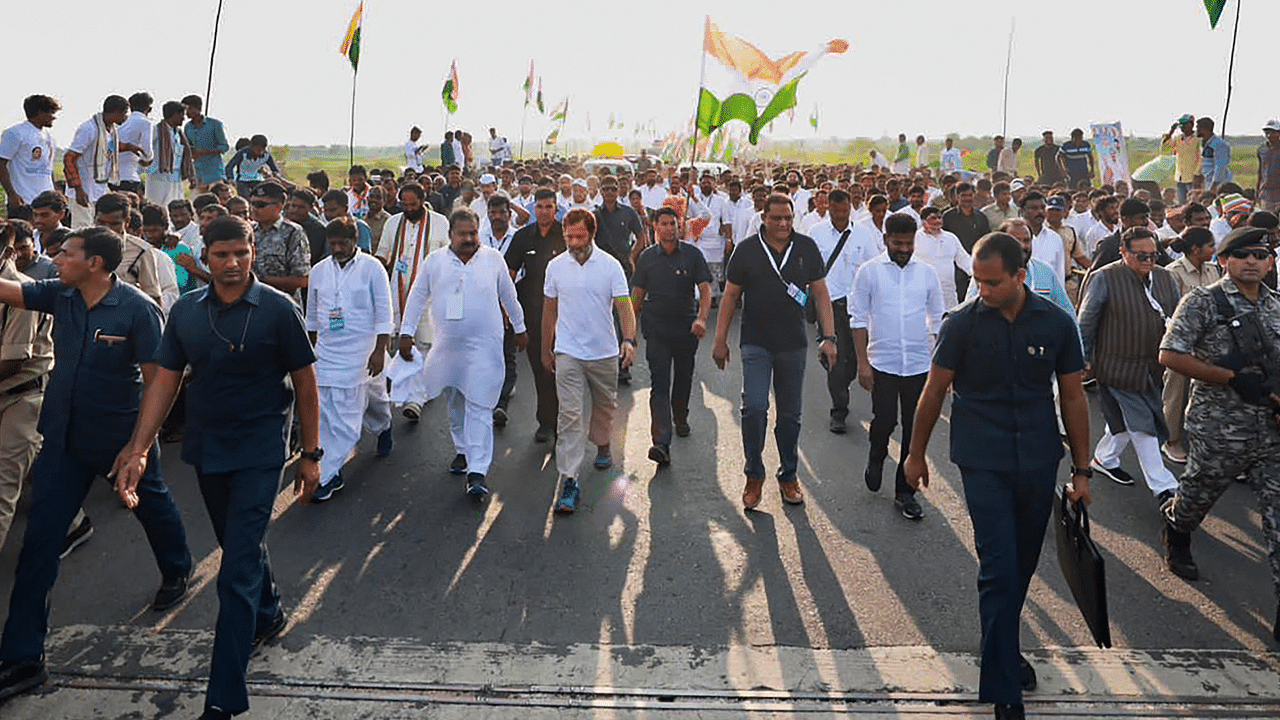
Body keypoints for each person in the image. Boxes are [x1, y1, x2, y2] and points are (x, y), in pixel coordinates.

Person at [110, 215, 320, 720]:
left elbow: (307, 385)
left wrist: (310, 455)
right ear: (205, 255)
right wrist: (138, 447)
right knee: (237, 543)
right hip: (208, 448)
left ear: (253, 252)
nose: (231, 264)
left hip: (262, 450)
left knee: (235, 570)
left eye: (241, 254)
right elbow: (165, 381)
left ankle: (223, 698)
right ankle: (267, 614)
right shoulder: (185, 312)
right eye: (221, 255)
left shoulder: (277, 310)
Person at [0, 227, 195, 707]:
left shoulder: (136, 310)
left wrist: (139, 447)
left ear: (94, 264)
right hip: (63, 440)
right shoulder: (60, 295)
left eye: (65, 253)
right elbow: (9, 290)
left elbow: (160, 382)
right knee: (39, 545)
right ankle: (24, 659)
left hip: (119, 443)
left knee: (152, 508)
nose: (55, 258)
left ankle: (178, 567)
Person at [905, 231, 1092, 720]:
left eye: (991, 282)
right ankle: (1005, 689)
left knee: (1022, 567)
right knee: (998, 567)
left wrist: (1083, 469)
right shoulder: (961, 325)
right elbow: (933, 390)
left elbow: (1073, 396)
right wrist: (914, 454)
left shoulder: (1055, 323)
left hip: (1036, 457)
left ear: (1019, 276)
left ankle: (1003, 648)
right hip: (981, 458)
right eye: (976, 280)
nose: (980, 290)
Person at [1158, 226, 1280, 644]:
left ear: (1270, 261)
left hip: (1272, 432)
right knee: (1195, 497)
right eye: (1242, 254)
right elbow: (1170, 354)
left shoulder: (1277, 307)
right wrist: (1228, 377)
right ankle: (1177, 529)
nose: (1252, 261)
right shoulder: (1203, 302)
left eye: (1260, 254)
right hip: (1218, 429)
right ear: (1224, 260)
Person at [713, 194, 838, 509]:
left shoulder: (806, 248)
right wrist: (720, 339)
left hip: (793, 344)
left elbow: (821, 292)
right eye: (777, 218)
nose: (783, 224)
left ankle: (788, 476)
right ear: (763, 218)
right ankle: (754, 474)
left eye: (788, 218)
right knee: (754, 409)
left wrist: (829, 336)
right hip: (755, 342)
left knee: (790, 416)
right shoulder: (747, 250)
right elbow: (729, 296)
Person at [400, 208, 527, 495]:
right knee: (455, 399)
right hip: (448, 346)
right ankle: (462, 449)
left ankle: (478, 471)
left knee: (480, 404)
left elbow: (509, 296)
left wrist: (520, 327)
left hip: (485, 347)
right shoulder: (435, 261)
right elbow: (417, 295)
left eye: (473, 233)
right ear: (451, 235)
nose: (469, 238)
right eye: (463, 234)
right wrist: (406, 332)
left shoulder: (493, 259)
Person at [851, 212, 945, 521]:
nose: (903, 249)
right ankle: (876, 455)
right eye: (897, 243)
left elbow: (938, 319)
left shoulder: (927, 274)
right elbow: (859, 319)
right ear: (885, 240)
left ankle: (905, 491)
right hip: (883, 362)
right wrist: (863, 363)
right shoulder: (869, 272)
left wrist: (939, 364)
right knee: (885, 420)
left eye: (908, 243)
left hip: (919, 364)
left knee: (914, 428)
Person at [541, 209, 636, 513]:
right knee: (569, 416)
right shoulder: (555, 267)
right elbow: (549, 310)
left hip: (604, 351)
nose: (572, 242)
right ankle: (569, 479)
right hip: (568, 351)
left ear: (592, 234)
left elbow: (624, 307)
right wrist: (547, 348)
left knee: (605, 405)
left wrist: (628, 340)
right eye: (568, 236)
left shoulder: (610, 266)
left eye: (578, 236)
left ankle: (603, 443)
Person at [1079, 228, 1182, 504]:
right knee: (1143, 423)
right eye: (1141, 256)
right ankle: (1164, 487)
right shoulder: (1105, 277)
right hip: (1117, 368)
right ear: (1123, 253)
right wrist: (1083, 359)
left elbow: (1176, 317)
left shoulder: (1165, 277)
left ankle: (1104, 458)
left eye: (1153, 255)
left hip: (1153, 367)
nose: (1149, 261)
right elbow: (1086, 322)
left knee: (1123, 422)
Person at [306, 217, 395, 503]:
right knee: (331, 411)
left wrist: (380, 349)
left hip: (363, 350)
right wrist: (310, 351)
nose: (338, 248)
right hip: (328, 351)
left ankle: (382, 429)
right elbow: (312, 314)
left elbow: (384, 311)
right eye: (333, 243)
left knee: (369, 401)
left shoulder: (372, 268)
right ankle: (331, 473)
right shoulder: (319, 271)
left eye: (343, 242)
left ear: (355, 241)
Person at [630, 207, 712, 465]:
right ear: (656, 226)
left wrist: (701, 319)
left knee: (684, 377)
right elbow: (637, 297)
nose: (668, 228)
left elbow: (706, 290)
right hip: (656, 329)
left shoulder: (692, 255)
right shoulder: (646, 258)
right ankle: (661, 442)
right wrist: (629, 333)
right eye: (663, 223)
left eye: (672, 224)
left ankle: (681, 414)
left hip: (686, 329)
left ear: (680, 226)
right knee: (660, 383)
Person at [374, 182, 450, 420]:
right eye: (404, 205)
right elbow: (383, 256)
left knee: (424, 343)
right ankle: (410, 387)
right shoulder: (393, 222)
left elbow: (449, 260)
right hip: (397, 293)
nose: (409, 209)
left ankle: (416, 398)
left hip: (430, 293)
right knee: (400, 341)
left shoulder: (440, 223)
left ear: (423, 199)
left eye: (413, 204)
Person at [0, 220, 53, 551]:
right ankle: (74, 522)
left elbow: (13, 361)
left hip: (24, 396)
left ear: (6, 251)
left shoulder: (22, 290)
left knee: (3, 484)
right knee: (27, 464)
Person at [811, 189, 880, 433]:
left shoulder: (864, 234)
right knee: (837, 362)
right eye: (836, 211)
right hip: (830, 307)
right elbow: (807, 269)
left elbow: (876, 266)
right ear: (828, 207)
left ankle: (845, 376)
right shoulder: (815, 233)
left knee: (857, 360)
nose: (840, 216)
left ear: (851, 208)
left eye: (845, 211)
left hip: (860, 308)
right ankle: (839, 410)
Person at [506, 189, 566, 441]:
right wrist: (509, 312)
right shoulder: (522, 237)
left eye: (549, 206)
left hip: (564, 314)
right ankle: (546, 422)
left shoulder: (565, 235)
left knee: (563, 371)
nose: (544, 211)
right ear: (533, 209)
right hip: (532, 312)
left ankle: (563, 422)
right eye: (539, 207)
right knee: (541, 369)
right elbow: (509, 274)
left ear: (556, 209)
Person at [1160, 227, 1221, 464]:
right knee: (1176, 392)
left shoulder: (1214, 270)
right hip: (1181, 343)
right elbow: (1169, 310)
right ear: (1196, 249)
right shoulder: (1172, 273)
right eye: (1210, 246)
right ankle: (1172, 440)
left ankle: (1208, 443)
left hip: (1209, 343)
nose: (1213, 250)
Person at [63, 96, 132, 229]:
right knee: (83, 229)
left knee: (100, 229)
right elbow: (69, 158)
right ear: (116, 112)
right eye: (124, 113)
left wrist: (131, 147)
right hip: (84, 190)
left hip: (99, 189)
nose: (125, 117)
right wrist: (78, 189)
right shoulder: (89, 129)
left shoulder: (111, 131)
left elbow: (108, 148)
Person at [481, 195, 519, 426]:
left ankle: (501, 403)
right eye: (492, 213)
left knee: (507, 353)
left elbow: (521, 273)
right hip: (483, 305)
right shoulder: (479, 238)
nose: (496, 217)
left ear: (509, 214)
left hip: (511, 303)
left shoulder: (518, 238)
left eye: (501, 213)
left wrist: (508, 304)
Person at [93, 192, 163, 306]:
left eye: (114, 224)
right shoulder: (80, 244)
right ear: (94, 218)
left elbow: (152, 297)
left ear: (127, 222)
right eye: (101, 223)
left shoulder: (140, 251)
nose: (106, 229)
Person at [248, 183, 310, 304]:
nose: (254, 209)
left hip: (283, 304)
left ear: (278, 207)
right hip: (254, 302)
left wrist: (260, 280)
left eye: (261, 205)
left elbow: (302, 279)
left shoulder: (293, 232)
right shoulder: (249, 231)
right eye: (253, 204)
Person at [0, 95, 59, 214]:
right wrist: (12, 195)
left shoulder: (49, 137)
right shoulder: (15, 133)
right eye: (51, 113)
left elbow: (48, 168)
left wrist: (56, 193)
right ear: (40, 112)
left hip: (47, 203)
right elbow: (1, 164)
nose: (54, 117)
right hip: (24, 201)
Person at [912, 207, 971, 305]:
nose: (937, 221)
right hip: (923, 291)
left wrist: (975, 273)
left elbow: (964, 259)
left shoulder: (951, 238)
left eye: (939, 218)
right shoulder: (915, 238)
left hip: (947, 292)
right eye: (933, 218)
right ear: (923, 221)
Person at [146, 101, 196, 208]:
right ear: (173, 115)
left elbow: (185, 155)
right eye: (182, 115)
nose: (184, 118)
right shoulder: (157, 130)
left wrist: (190, 175)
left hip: (176, 176)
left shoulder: (179, 134)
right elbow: (146, 148)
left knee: (176, 206)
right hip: (158, 175)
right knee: (157, 205)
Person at [182, 95, 230, 193]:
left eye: (188, 109)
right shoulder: (187, 127)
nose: (186, 112)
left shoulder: (215, 124)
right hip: (197, 174)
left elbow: (224, 147)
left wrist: (203, 152)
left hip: (214, 174)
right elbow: (187, 146)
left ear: (198, 108)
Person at [1019, 192, 1066, 282]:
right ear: (1022, 211)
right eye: (1034, 208)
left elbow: (1059, 274)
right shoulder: (1013, 236)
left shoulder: (1055, 238)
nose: (1040, 211)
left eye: (1042, 208)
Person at [114, 93, 154, 196]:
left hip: (114, 176)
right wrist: (147, 160)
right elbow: (147, 151)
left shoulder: (122, 123)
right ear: (149, 109)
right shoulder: (145, 123)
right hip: (130, 176)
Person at [223, 135, 279, 199]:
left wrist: (274, 175)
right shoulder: (242, 154)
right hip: (243, 180)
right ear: (251, 146)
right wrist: (231, 179)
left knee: (260, 197)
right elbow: (229, 167)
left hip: (257, 180)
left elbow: (274, 169)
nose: (257, 152)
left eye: (260, 150)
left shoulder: (266, 156)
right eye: (256, 149)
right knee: (246, 198)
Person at [1162, 115, 1201, 205]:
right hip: (1180, 176)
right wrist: (1171, 132)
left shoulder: (1198, 139)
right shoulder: (1178, 138)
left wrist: (1197, 174)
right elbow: (1165, 148)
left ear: (1191, 124)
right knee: (1181, 203)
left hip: (1192, 177)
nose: (1182, 127)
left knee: (1194, 202)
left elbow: (1200, 158)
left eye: (1185, 124)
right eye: (1181, 125)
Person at [1197, 116, 1233, 195]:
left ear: (1205, 129)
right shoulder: (1205, 144)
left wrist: (1215, 185)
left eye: (1198, 128)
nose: (1196, 131)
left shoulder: (1219, 144)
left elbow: (1220, 166)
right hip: (1208, 182)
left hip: (1219, 185)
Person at [1257, 119, 1280, 213]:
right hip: (1266, 194)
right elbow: (1260, 172)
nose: (1270, 135)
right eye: (1268, 132)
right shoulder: (1262, 150)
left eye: (1274, 132)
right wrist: (1257, 191)